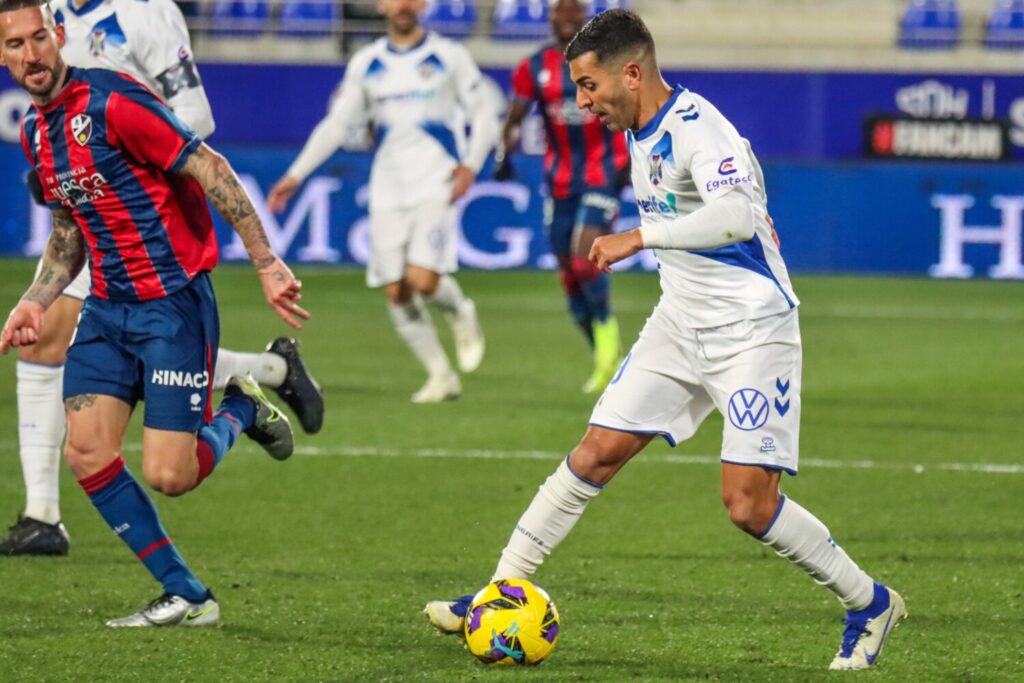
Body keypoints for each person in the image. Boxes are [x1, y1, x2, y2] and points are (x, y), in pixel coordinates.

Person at [424, 10, 906, 671]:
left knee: (747, 504)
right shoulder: (635, 126)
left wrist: (639, 236)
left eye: (589, 87)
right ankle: (499, 591)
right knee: (594, 453)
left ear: (631, 72)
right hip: (680, 323)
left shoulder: (698, 128)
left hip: (751, 333)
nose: (582, 102)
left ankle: (871, 601)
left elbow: (737, 214)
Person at [0, 0, 306, 626]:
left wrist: (267, 261)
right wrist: (32, 303)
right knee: (86, 452)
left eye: (38, 39)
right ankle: (191, 597)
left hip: (172, 304)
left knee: (171, 474)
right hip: (108, 307)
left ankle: (243, 406)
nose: (31, 56)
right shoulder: (36, 132)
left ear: (59, 36)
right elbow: (67, 232)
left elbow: (210, 167)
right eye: (14, 46)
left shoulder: (113, 101)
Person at [267, 0, 496, 403]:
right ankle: (441, 376)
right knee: (396, 290)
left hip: (436, 179)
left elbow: (484, 112)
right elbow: (337, 124)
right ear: (381, 6)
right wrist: (296, 174)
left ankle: (460, 311)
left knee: (423, 279)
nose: (403, 5)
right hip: (388, 186)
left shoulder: (448, 55)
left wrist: (471, 166)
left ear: (423, 5)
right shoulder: (367, 63)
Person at [496, 0, 626, 394]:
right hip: (559, 180)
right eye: (560, 12)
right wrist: (504, 154)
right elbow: (514, 118)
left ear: (585, 17)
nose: (567, 18)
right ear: (551, 17)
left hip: (604, 171)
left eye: (575, 12)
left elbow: (631, 109)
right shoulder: (534, 66)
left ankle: (609, 351)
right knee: (569, 275)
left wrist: (632, 160)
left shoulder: (608, 61)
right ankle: (604, 353)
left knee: (587, 259)